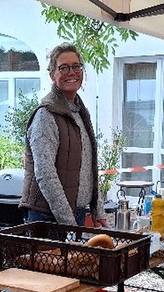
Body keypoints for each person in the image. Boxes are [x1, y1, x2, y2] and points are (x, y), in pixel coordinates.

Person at [20, 43, 107, 227]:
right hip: (47, 218)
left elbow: (89, 167)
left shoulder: (80, 112)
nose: (71, 72)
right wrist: (69, 224)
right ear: (52, 75)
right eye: (63, 68)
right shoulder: (46, 115)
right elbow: (46, 174)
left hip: (76, 215)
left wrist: (98, 212)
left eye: (76, 66)